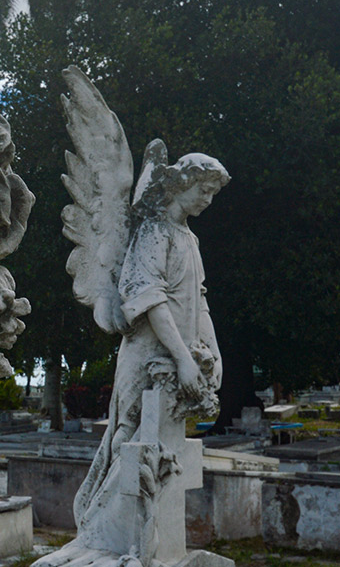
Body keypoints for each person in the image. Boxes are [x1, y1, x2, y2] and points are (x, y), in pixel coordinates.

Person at [72, 151, 230, 530]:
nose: (207, 199)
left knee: (160, 443)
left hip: (177, 361)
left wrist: (213, 351)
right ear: (181, 184)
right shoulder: (153, 232)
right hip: (146, 354)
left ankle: (147, 535)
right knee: (126, 436)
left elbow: (199, 299)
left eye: (212, 193)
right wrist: (183, 358)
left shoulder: (189, 238)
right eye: (203, 190)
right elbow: (150, 300)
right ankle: (101, 527)